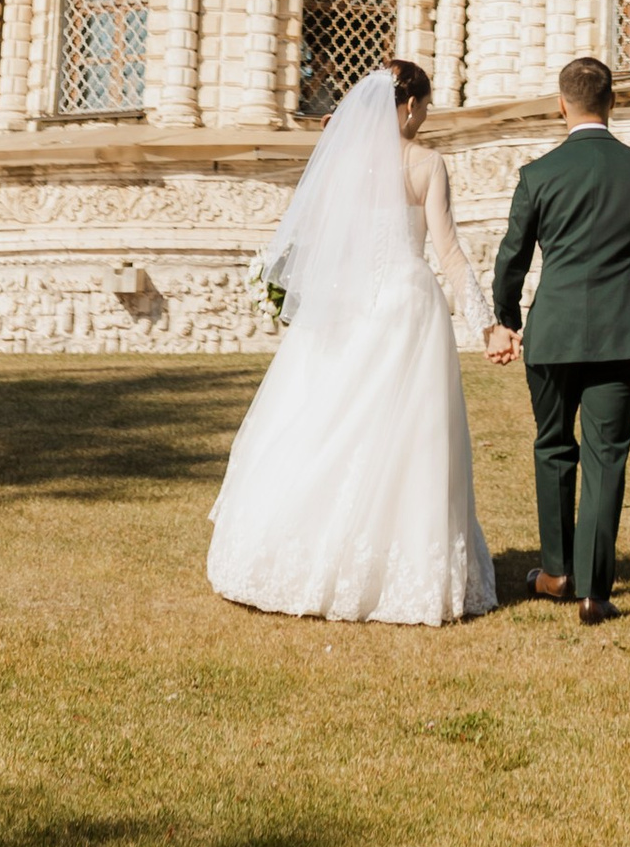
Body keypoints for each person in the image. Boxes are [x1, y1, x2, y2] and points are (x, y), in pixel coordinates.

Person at [207, 59, 504, 625]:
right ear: (412, 105)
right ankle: (402, 567)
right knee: (409, 441)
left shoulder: (343, 163)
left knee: (323, 426)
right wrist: (484, 325)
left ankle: (294, 555)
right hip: (406, 309)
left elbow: (320, 243)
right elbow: (449, 255)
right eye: (426, 105)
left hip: (346, 311)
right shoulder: (426, 163)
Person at [490, 57, 630, 626]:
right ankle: (595, 591)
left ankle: (555, 571)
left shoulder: (537, 175)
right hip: (622, 335)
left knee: (553, 446)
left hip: (551, 333)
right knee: (608, 458)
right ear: (612, 102)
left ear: (561, 104)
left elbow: (511, 260)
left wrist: (507, 317)